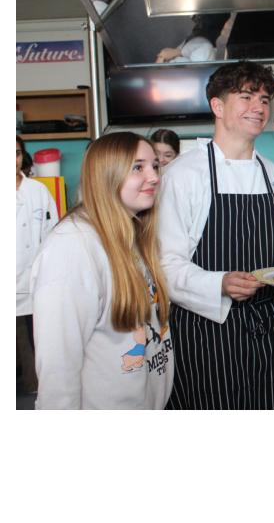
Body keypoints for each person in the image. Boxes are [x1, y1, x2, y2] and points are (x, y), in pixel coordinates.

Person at [157, 60, 274, 410]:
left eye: (265, 99)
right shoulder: (183, 176)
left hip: (266, 329)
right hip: (204, 333)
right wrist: (219, 283)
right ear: (218, 106)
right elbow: (165, 263)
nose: (259, 107)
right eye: (246, 97)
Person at [30, 132, 173, 410]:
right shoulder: (71, 248)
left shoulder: (130, 232)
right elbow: (58, 369)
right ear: (106, 174)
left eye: (155, 166)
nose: (155, 176)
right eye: (137, 167)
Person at [16, 135, 58, 393]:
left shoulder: (38, 190)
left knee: (35, 337)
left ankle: (37, 388)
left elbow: (51, 232)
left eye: (17, 153)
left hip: (33, 280)